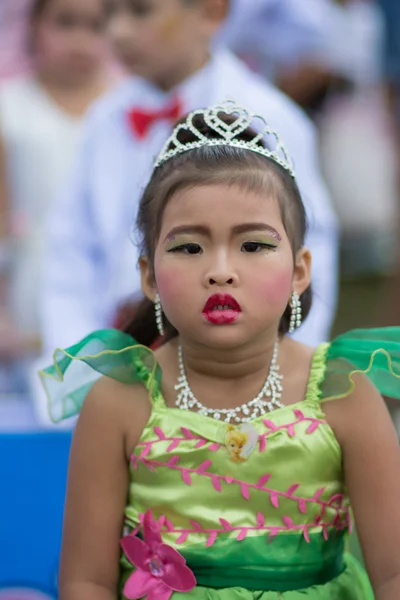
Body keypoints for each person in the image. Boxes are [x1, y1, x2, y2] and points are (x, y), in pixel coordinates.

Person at [40, 102, 400, 599]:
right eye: (189, 248)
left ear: (299, 270)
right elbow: (86, 581)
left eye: (253, 245)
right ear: (148, 276)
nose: (221, 270)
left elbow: (394, 574)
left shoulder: (344, 392)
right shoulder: (118, 402)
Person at [39, 0, 338, 370]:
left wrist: (281, 368)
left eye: (140, 12)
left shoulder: (269, 116)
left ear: (210, 12)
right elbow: (71, 248)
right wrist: (80, 359)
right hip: (116, 354)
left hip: (228, 358)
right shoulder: (104, 118)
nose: (118, 32)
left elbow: (306, 246)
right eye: (110, 14)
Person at [0, 0, 114, 392]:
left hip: (112, 300)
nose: (81, 41)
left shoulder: (128, 109)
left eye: (96, 26)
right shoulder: (9, 108)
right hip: (28, 301)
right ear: (33, 27)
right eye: (65, 23)